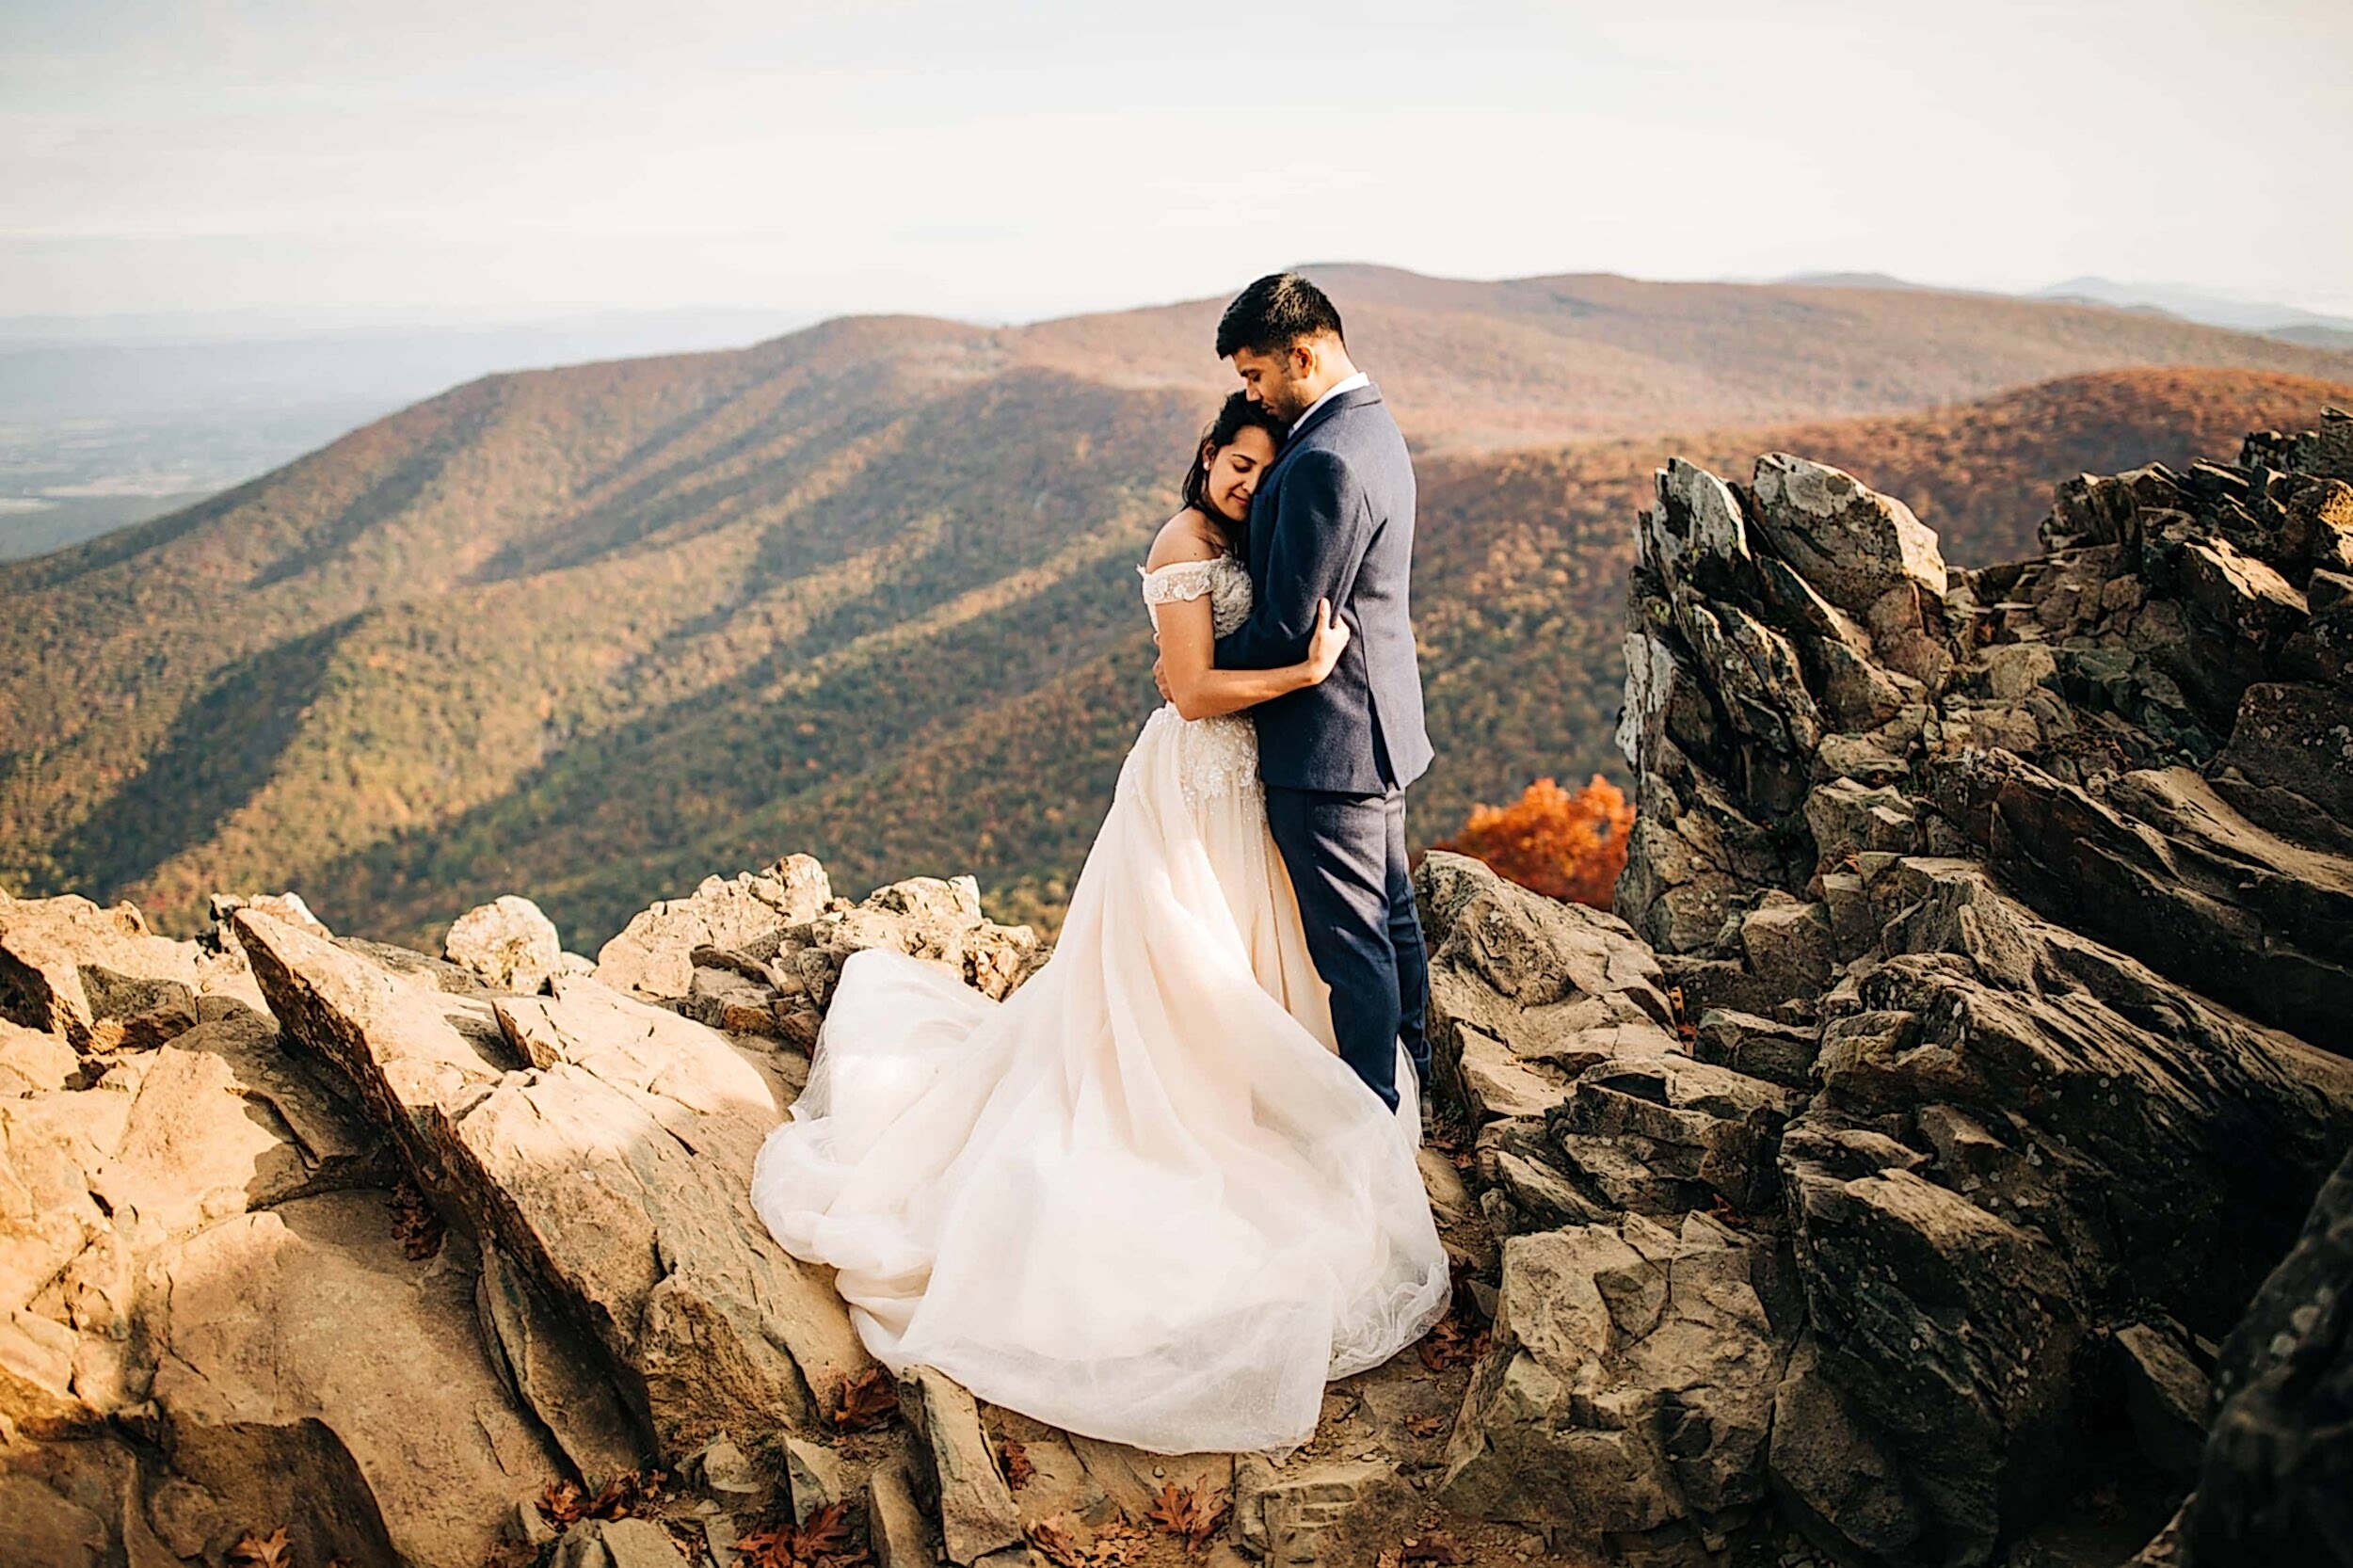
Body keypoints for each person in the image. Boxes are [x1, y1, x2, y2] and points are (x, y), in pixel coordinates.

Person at [749, 385, 1450, 1460]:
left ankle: (1263, 1093)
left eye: (1263, 467)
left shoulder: (1251, 531)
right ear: (1206, 453)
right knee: (1176, 966)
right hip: (1193, 780)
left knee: (1245, 962)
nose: (1246, 479)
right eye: (1233, 460)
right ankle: (1184, 1105)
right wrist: (1306, 672)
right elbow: (1187, 690)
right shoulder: (1181, 537)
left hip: (1248, 790)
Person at [1161, 271, 1435, 1118]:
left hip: (1327, 742)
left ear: (1303, 354)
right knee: (1391, 918)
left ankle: (1377, 1118)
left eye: (1255, 375)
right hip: (1378, 724)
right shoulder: (1372, 425)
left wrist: (1194, 669)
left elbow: (1288, 623)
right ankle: (1418, 1080)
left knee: (1351, 944)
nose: (1250, 393)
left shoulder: (1321, 459)